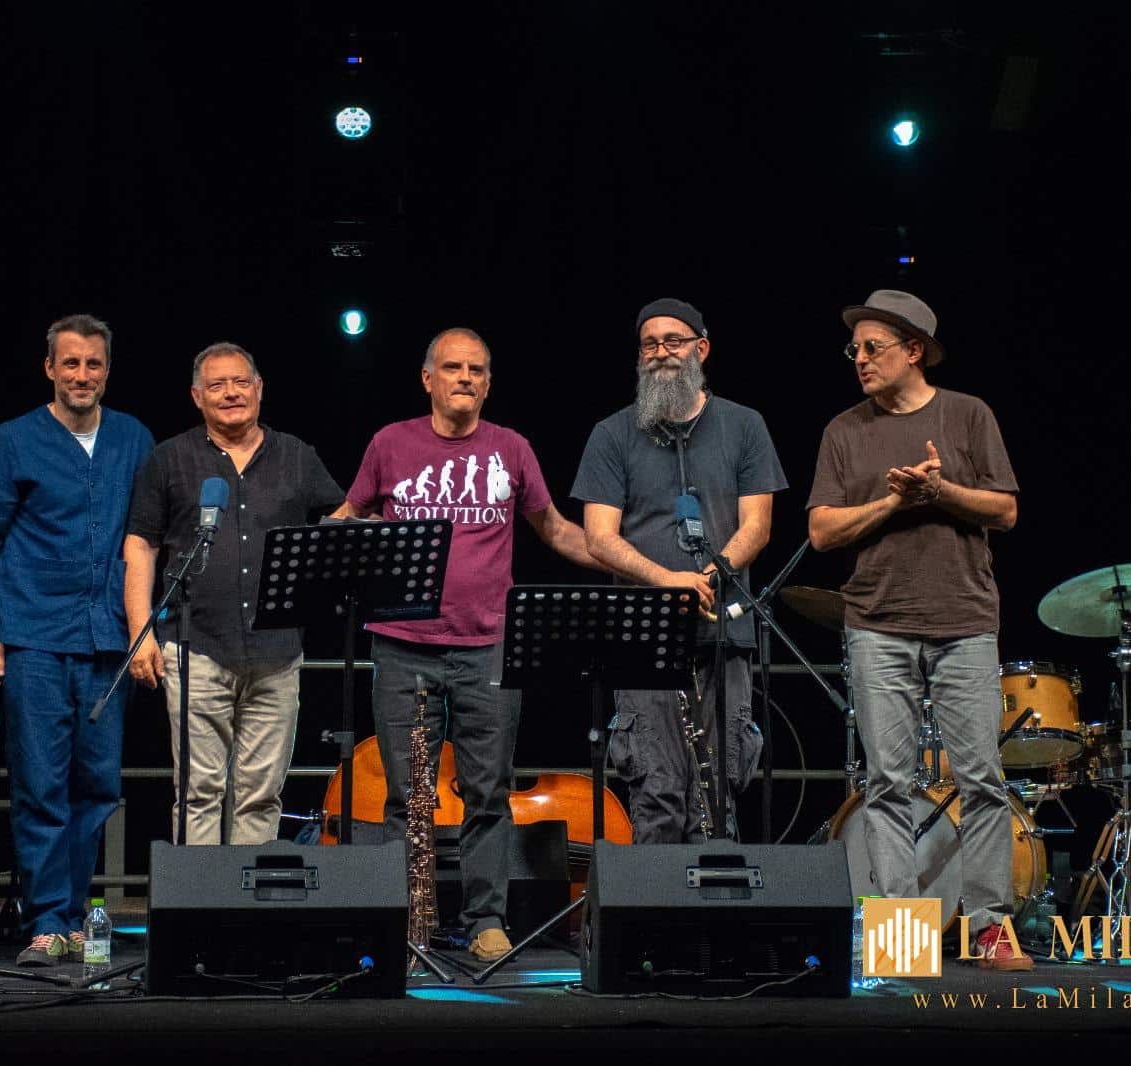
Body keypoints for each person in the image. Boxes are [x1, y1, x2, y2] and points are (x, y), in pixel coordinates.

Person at [333, 327, 598, 962]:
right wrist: (326, 538)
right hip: (402, 643)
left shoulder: (512, 448)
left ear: (488, 383)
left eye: (476, 370)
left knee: (488, 792)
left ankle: (486, 920)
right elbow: (350, 515)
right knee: (406, 797)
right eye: (452, 368)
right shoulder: (390, 443)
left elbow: (557, 530)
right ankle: (402, 923)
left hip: (487, 646)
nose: (465, 378)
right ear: (428, 379)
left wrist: (633, 567)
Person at [804, 289, 1029, 970]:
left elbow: (1005, 511)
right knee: (888, 783)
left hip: (964, 623)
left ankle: (990, 929)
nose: (860, 359)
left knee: (981, 778)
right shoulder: (844, 430)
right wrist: (894, 501)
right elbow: (822, 532)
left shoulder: (968, 414)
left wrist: (941, 492)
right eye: (854, 349)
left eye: (873, 347)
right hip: (877, 625)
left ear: (914, 351)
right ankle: (901, 940)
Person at [0, 314, 154, 967]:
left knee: (97, 786)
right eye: (70, 363)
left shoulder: (133, 437)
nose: (81, 375)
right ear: (49, 368)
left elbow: (149, 537)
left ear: (107, 370)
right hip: (34, 637)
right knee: (41, 784)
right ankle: (47, 920)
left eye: (93, 364)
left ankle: (74, 915)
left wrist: (144, 627)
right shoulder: (13, 440)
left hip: (108, 641)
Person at [571, 298, 785, 843]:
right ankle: (653, 902)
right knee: (657, 791)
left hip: (723, 631)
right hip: (642, 635)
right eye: (650, 344)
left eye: (674, 340)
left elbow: (758, 526)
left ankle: (718, 901)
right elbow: (599, 537)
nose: (661, 352)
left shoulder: (745, 425)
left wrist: (710, 578)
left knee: (718, 797)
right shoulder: (612, 434)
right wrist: (668, 582)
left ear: (701, 348)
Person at [123, 342, 344, 847]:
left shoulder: (296, 456)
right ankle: (197, 899)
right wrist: (140, 633)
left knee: (261, 796)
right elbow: (140, 544)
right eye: (217, 385)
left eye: (241, 382)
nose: (231, 393)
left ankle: (249, 898)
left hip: (277, 651)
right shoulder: (170, 458)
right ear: (196, 396)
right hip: (196, 647)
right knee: (198, 793)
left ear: (260, 389)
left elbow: (339, 520)